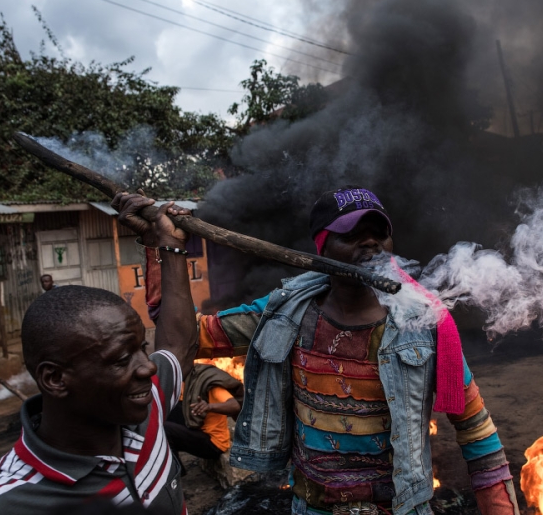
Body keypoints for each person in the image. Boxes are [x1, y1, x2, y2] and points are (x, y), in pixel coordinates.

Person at [127, 187, 521, 515]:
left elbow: (477, 433)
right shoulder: (284, 313)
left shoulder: (425, 324)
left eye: (378, 233)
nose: (370, 242)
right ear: (322, 247)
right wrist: (166, 249)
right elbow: (183, 336)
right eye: (351, 234)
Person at [0, 198, 198, 515]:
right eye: (120, 359)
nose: (149, 367)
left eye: (141, 349)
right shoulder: (2, 506)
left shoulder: (142, 408)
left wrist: (167, 244)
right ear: (55, 379)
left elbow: (179, 345)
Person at [164, 362, 243, 461]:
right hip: (198, 429)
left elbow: (235, 406)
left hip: (213, 443)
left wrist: (209, 406)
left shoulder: (211, 386)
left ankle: (175, 472)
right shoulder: (189, 381)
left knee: (166, 430)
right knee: (166, 411)